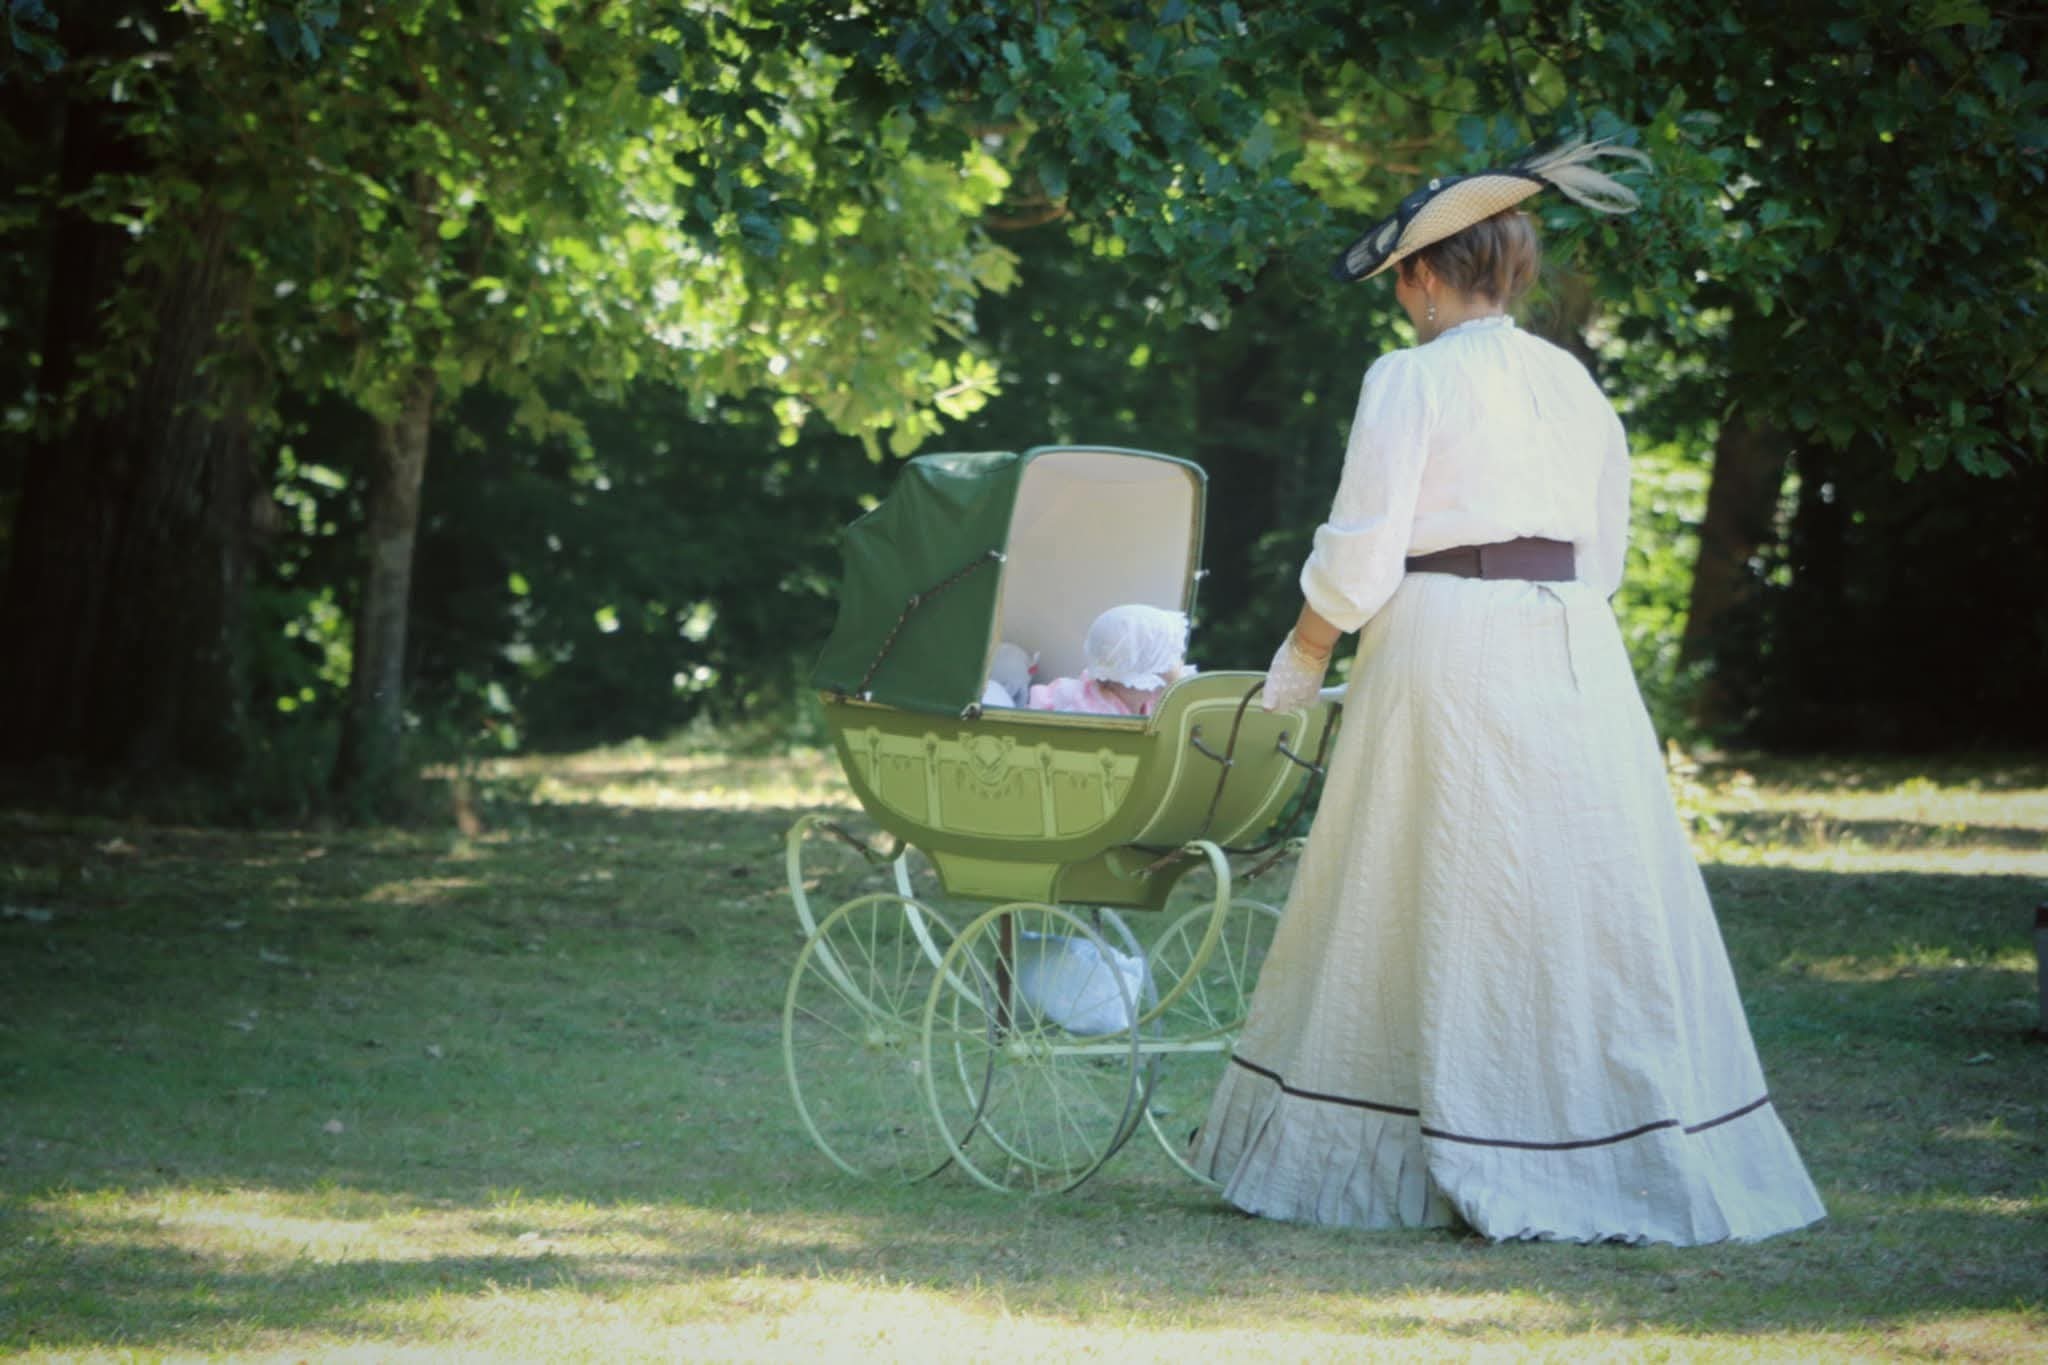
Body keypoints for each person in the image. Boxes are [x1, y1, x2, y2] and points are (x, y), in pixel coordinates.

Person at [1195, 137, 1826, 1246]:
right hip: (1573, 647)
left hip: (1445, 642)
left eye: (1400, 278)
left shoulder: (1409, 379)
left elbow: (1360, 550)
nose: (1399, 299)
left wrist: (1302, 654)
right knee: (1571, 889)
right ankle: (1594, 1134)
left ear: (1423, 275)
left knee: (1431, 877)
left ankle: (1453, 1134)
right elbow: (1604, 551)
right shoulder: (1570, 381)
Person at [1026, 603, 1194, 717]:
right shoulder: (1093, 713)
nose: (1178, 665)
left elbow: (1189, 705)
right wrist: (1175, 680)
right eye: (1169, 659)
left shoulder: (1147, 701)